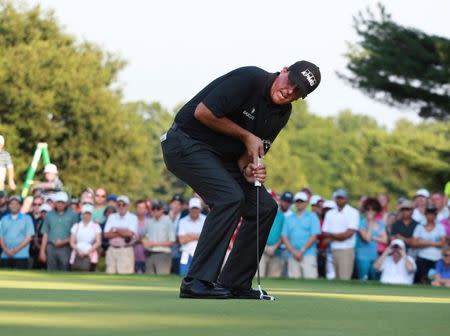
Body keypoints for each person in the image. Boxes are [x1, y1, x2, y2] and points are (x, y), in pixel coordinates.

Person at [161, 61, 321, 299]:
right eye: (291, 83)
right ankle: (196, 282)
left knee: (264, 207)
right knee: (229, 197)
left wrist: (248, 170)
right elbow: (203, 113)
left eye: (298, 92)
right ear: (284, 70)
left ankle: (235, 283)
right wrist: (247, 135)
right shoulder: (250, 78)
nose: (290, 91)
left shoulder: (281, 113)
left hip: (222, 159)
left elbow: (244, 161)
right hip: (185, 142)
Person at [282, 191, 321, 279]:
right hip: (292, 255)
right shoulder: (288, 218)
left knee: (311, 281)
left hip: (308, 254)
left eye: (301, 201)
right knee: (293, 282)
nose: (299, 203)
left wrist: (301, 251)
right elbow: (284, 237)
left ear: (306, 203)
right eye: (297, 201)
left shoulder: (312, 217)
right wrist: (294, 252)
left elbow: (314, 236)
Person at [322, 189, 359, 280]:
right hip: (332, 250)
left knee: (344, 278)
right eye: (337, 198)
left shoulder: (353, 212)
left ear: (346, 199)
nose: (339, 200)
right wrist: (338, 236)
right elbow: (324, 233)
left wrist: (331, 237)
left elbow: (348, 234)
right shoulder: (330, 213)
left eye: (341, 198)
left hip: (346, 250)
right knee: (335, 280)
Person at [39, 191, 79, 271]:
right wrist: (42, 251)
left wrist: (63, 241)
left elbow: (75, 234)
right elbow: (45, 234)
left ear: (66, 203)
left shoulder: (73, 215)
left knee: (64, 270)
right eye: (58, 202)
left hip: (66, 247)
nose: (60, 204)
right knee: (51, 270)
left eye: (62, 202)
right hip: (51, 246)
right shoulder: (49, 215)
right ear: (55, 202)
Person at [412, 205, 446, 284]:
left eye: (432, 214)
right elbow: (414, 243)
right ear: (426, 215)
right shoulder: (419, 227)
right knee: (420, 280)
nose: (430, 216)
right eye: (428, 213)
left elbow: (443, 243)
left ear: (435, 215)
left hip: (436, 259)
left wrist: (424, 242)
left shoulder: (440, 227)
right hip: (422, 258)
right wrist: (434, 243)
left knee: (433, 280)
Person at [103, 195, 137, 274]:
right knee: (109, 273)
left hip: (125, 249)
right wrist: (123, 232)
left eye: (123, 205)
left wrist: (115, 230)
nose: (121, 207)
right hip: (112, 250)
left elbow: (130, 234)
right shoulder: (112, 217)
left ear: (127, 206)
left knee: (125, 275)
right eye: (119, 204)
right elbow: (106, 234)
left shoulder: (132, 217)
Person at [355, 198, 387, 280]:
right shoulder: (360, 223)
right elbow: (367, 239)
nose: (370, 211)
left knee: (374, 279)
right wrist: (370, 223)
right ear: (365, 210)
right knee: (363, 279)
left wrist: (373, 237)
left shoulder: (380, 223)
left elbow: (385, 240)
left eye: (373, 209)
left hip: (374, 255)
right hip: (362, 256)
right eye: (368, 209)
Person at [141, 200, 175, 274]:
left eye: (158, 208)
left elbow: (172, 242)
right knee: (148, 279)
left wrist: (154, 244)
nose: (155, 211)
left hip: (163, 254)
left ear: (162, 209)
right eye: (153, 209)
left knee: (162, 279)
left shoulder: (168, 221)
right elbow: (142, 235)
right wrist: (145, 243)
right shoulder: (148, 222)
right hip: (150, 254)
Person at [0, 196, 34, 269]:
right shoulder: (4, 219)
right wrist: (6, 250)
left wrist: (15, 250)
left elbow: (29, 238)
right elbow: (1, 237)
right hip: (5, 255)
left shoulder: (27, 218)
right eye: (12, 204)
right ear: (9, 205)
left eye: (16, 204)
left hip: (21, 255)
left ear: (20, 206)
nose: (14, 206)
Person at [177, 198, 206, 277]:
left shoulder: (206, 219)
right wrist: (198, 236)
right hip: (186, 253)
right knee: (183, 277)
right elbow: (181, 240)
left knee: (199, 278)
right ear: (189, 209)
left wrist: (189, 236)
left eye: (196, 208)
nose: (194, 211)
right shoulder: (183, 221)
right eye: (193, 208)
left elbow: (207, 239)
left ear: (200, 209)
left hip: (201, 254)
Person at [69, 204, 101, 272]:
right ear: (82, 214)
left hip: (90, 253)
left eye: (88, 214)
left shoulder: (96, 226)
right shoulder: (76, 226)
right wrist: (78, 250)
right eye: (85, 213)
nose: (86, 215)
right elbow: (72, 242)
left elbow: (98, 242)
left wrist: (89, 251)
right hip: (77, 252)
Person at [134, 199, 148, 274]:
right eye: (139, 207)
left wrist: (138, 239)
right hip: (133, 256)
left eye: (143, 208)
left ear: (146, 209)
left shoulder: (149, 221)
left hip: (146, 256)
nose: (140, 210)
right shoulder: (132, 220)